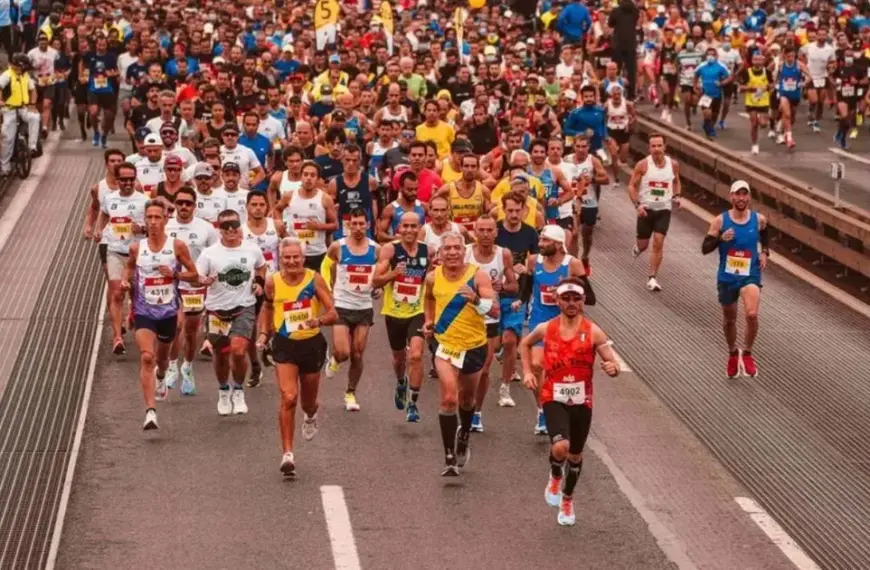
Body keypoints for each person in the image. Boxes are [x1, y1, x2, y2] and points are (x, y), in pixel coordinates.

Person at [519, 277, 620, 526]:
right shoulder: (546, 328)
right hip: (553, 396)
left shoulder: (593, 331)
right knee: (561, 447)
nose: (571, 303)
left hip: (582, 401)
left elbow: (611, 360)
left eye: (576, 298)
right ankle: (555, 475)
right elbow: (525, 343)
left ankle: (567, 498)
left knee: (575, 455)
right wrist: (528, 372)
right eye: (566, 298)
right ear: (557, 301)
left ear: (583, 300)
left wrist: (612, 367)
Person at [258, 238, 337, 477]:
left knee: (308, 403)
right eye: (287, 257)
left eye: (296, 257)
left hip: (311, 345)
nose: (291, 261)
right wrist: (264, 334)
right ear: (281, 258)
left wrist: (318, 320)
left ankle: (311, 416)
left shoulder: (314, 279)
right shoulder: (272, 281)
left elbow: (333, 312)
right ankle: (287, 454)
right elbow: (267, 308)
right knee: (289, 397)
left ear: (303, 258)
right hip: (285, 345)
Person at [423, 232, 498, 476]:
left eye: (457, 248)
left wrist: (475, 300)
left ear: (464, 251)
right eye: (448, 248)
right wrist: (429, 321)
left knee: (467, 400)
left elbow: (494, 311)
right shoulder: (432, 278)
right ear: (440, 252)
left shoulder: (478, 276)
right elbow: (428, 299)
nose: (453, 252)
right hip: (445, 346)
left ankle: (464, 434)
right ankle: (449, 457)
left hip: (474, 346)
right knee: (448, 399)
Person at [121, 200, 198, 430]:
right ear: (145, 220)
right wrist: (125, 281)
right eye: (150, 217)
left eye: (157, 217)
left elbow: (194, 274)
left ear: (165, 219)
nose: (153, 222)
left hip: (168, 312)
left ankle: (162, 376)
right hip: (144, 312)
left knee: (162, 360)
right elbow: (129, 267)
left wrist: (175, 274)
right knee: (147, 357)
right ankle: (150, 412)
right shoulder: (137, 248)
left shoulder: (177, 246)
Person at [196, 209, 267, 416]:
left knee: (238, 350)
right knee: (220, 354)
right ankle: (223, 390)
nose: (230, 230)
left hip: (243, 307)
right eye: (225, 226)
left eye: (234, 225)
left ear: (239, 226)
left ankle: (238, 390)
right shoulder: (209, 253)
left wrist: (259, 282)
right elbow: (197, 276)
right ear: (219, 229)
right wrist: (203, 280)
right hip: (217, 310)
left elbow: (262, 267)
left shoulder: (252, 249)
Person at [527, 225, 593, 435]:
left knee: (559, 370)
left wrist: (566, 291)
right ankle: (542, 410)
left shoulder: (572, 264)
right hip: (539, 321)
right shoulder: (533, 261)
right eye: (540, 240)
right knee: (537, 365)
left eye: (545, 241)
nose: (540, 244)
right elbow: (526, 289)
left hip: (565, 325)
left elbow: (590, 298)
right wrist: (519, 301)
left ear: (557, 244)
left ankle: (563, 407)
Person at [701, 180, 768, 379]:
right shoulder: (720, 221)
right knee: (730, 320)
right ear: (731, 196)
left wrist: (764, 251)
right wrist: (720, 239)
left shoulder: (758, 219)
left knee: (752, 314)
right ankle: (732, 353)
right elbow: (705, 248)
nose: (741, 198)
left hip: (750, 274)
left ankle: (747, 353)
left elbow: (765, 233)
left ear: (749, 197)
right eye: (737, 194)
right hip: (728, 277)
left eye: (744, 194)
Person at [374, 212, 430, 422]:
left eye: (413, 226)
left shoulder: (428, 251)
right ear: (399, 228)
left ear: (420, 228)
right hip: (394, 312)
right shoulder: (390, 249)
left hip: (418, 311)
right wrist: (393, 274)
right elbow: (375, 281)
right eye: (405, 226)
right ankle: (400, 382)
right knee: (399, 359)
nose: (409, 230)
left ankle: (412, 402)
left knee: (416, 355)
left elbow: (433, 279)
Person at [164, 186, 219, 395]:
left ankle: (187, 366)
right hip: (172, 284)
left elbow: (217, 254)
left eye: (188, 203)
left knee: (191, 330)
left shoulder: (207, 228)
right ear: (175, 204)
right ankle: (171, 365)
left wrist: (210, 279)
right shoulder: (166, 226)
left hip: (196, 286)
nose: (184, 206)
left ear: (195, 206)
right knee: (176, 326)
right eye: (180, 203)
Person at [324, 208, 380, 412]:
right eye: (353, 224)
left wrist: (379, 288)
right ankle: (335, 358)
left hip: (364, 307)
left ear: (367, 225)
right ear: (348, 225)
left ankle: (350, 393)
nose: (357, 228)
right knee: (343, 352)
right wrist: (329, 291)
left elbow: (382, 274)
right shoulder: (337, 247)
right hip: (342, 305)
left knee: (357, 354)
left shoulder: (376, 250)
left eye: (361, 224)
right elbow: (326, 267)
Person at [464, 216, 516, 432]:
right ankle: (465, 406)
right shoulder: (465, 253)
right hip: (466, 319)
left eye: (489, 230)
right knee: (465, 372)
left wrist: (501, 287)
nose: (485, 234)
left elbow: (513, 286)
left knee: (484, 370)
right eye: (481, 230)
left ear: (496, 232)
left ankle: (476, 413)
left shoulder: (503, 254)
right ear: (474, 231)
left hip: (490, 319)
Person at [94, 161, 149, 354]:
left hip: (137, 255)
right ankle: (117, 337)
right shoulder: (109, 199)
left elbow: (156, 226)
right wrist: (99, 230)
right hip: (115, 251)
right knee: (117, 293)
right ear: (117, 180)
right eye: (124, 180)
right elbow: (103, 214)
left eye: (131, 179)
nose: (127, 183)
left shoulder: (144, 201)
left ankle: (134, 314)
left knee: (137, 295)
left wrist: (142, 229)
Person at [627, 133, 682, 293]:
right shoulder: (643, 165)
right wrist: (637, 205)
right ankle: (638, 248)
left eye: (659, 145)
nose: (657, 149)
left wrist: (677, 196)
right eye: (653, 146)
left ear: (665, 147)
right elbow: (631, 186)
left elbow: (676, 181)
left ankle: (652, 277)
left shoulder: (673, 165)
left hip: (663, 209)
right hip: (646, 210)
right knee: (643, 245)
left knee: (658, 241)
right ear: (649, 148)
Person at [243, 191, 284, 387]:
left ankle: (268, 344)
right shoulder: (241, 230)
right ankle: (254, 364)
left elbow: (286, 249)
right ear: (247, 207)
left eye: (261, 204)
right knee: (250, 329)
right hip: (250, 285)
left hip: (274, 282)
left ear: (267, 207)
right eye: (254, 204)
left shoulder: (276, 226)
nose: (258, 208)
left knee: (274, 323)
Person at [0, 53, 42, 177]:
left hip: (23, 108)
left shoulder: (25, 76)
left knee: (35, 117)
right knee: (7, 138)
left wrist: (32, 104)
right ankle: (5, 167)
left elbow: (33, 90)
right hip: (9, 109)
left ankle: (32, 146)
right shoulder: (6, 75)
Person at [379, 170, 426, 242]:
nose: (414, 192)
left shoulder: (423, 206)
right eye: (410, 190)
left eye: (416, 189)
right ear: (401, 188)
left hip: (419, 247)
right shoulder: (390, 209)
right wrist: (396, 239)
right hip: (399, 247)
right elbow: (380, 235)